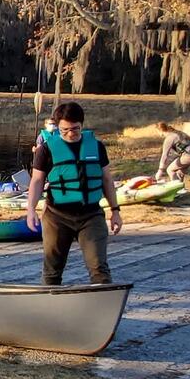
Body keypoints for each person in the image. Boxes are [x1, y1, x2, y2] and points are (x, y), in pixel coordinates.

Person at [25, 102, 121, 286]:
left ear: (82, 125)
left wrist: (115, 211)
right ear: (58, 127)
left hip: (91, 215)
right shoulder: (46, 149)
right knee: (52, 269)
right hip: (57, 216)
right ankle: (49, 307)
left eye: (75, 129)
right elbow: (36, 181)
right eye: (65, 130)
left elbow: (107, 180)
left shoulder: (97, 147)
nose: (70, 134)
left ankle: (102, 308)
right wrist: (31, 210)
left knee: (98, 267)